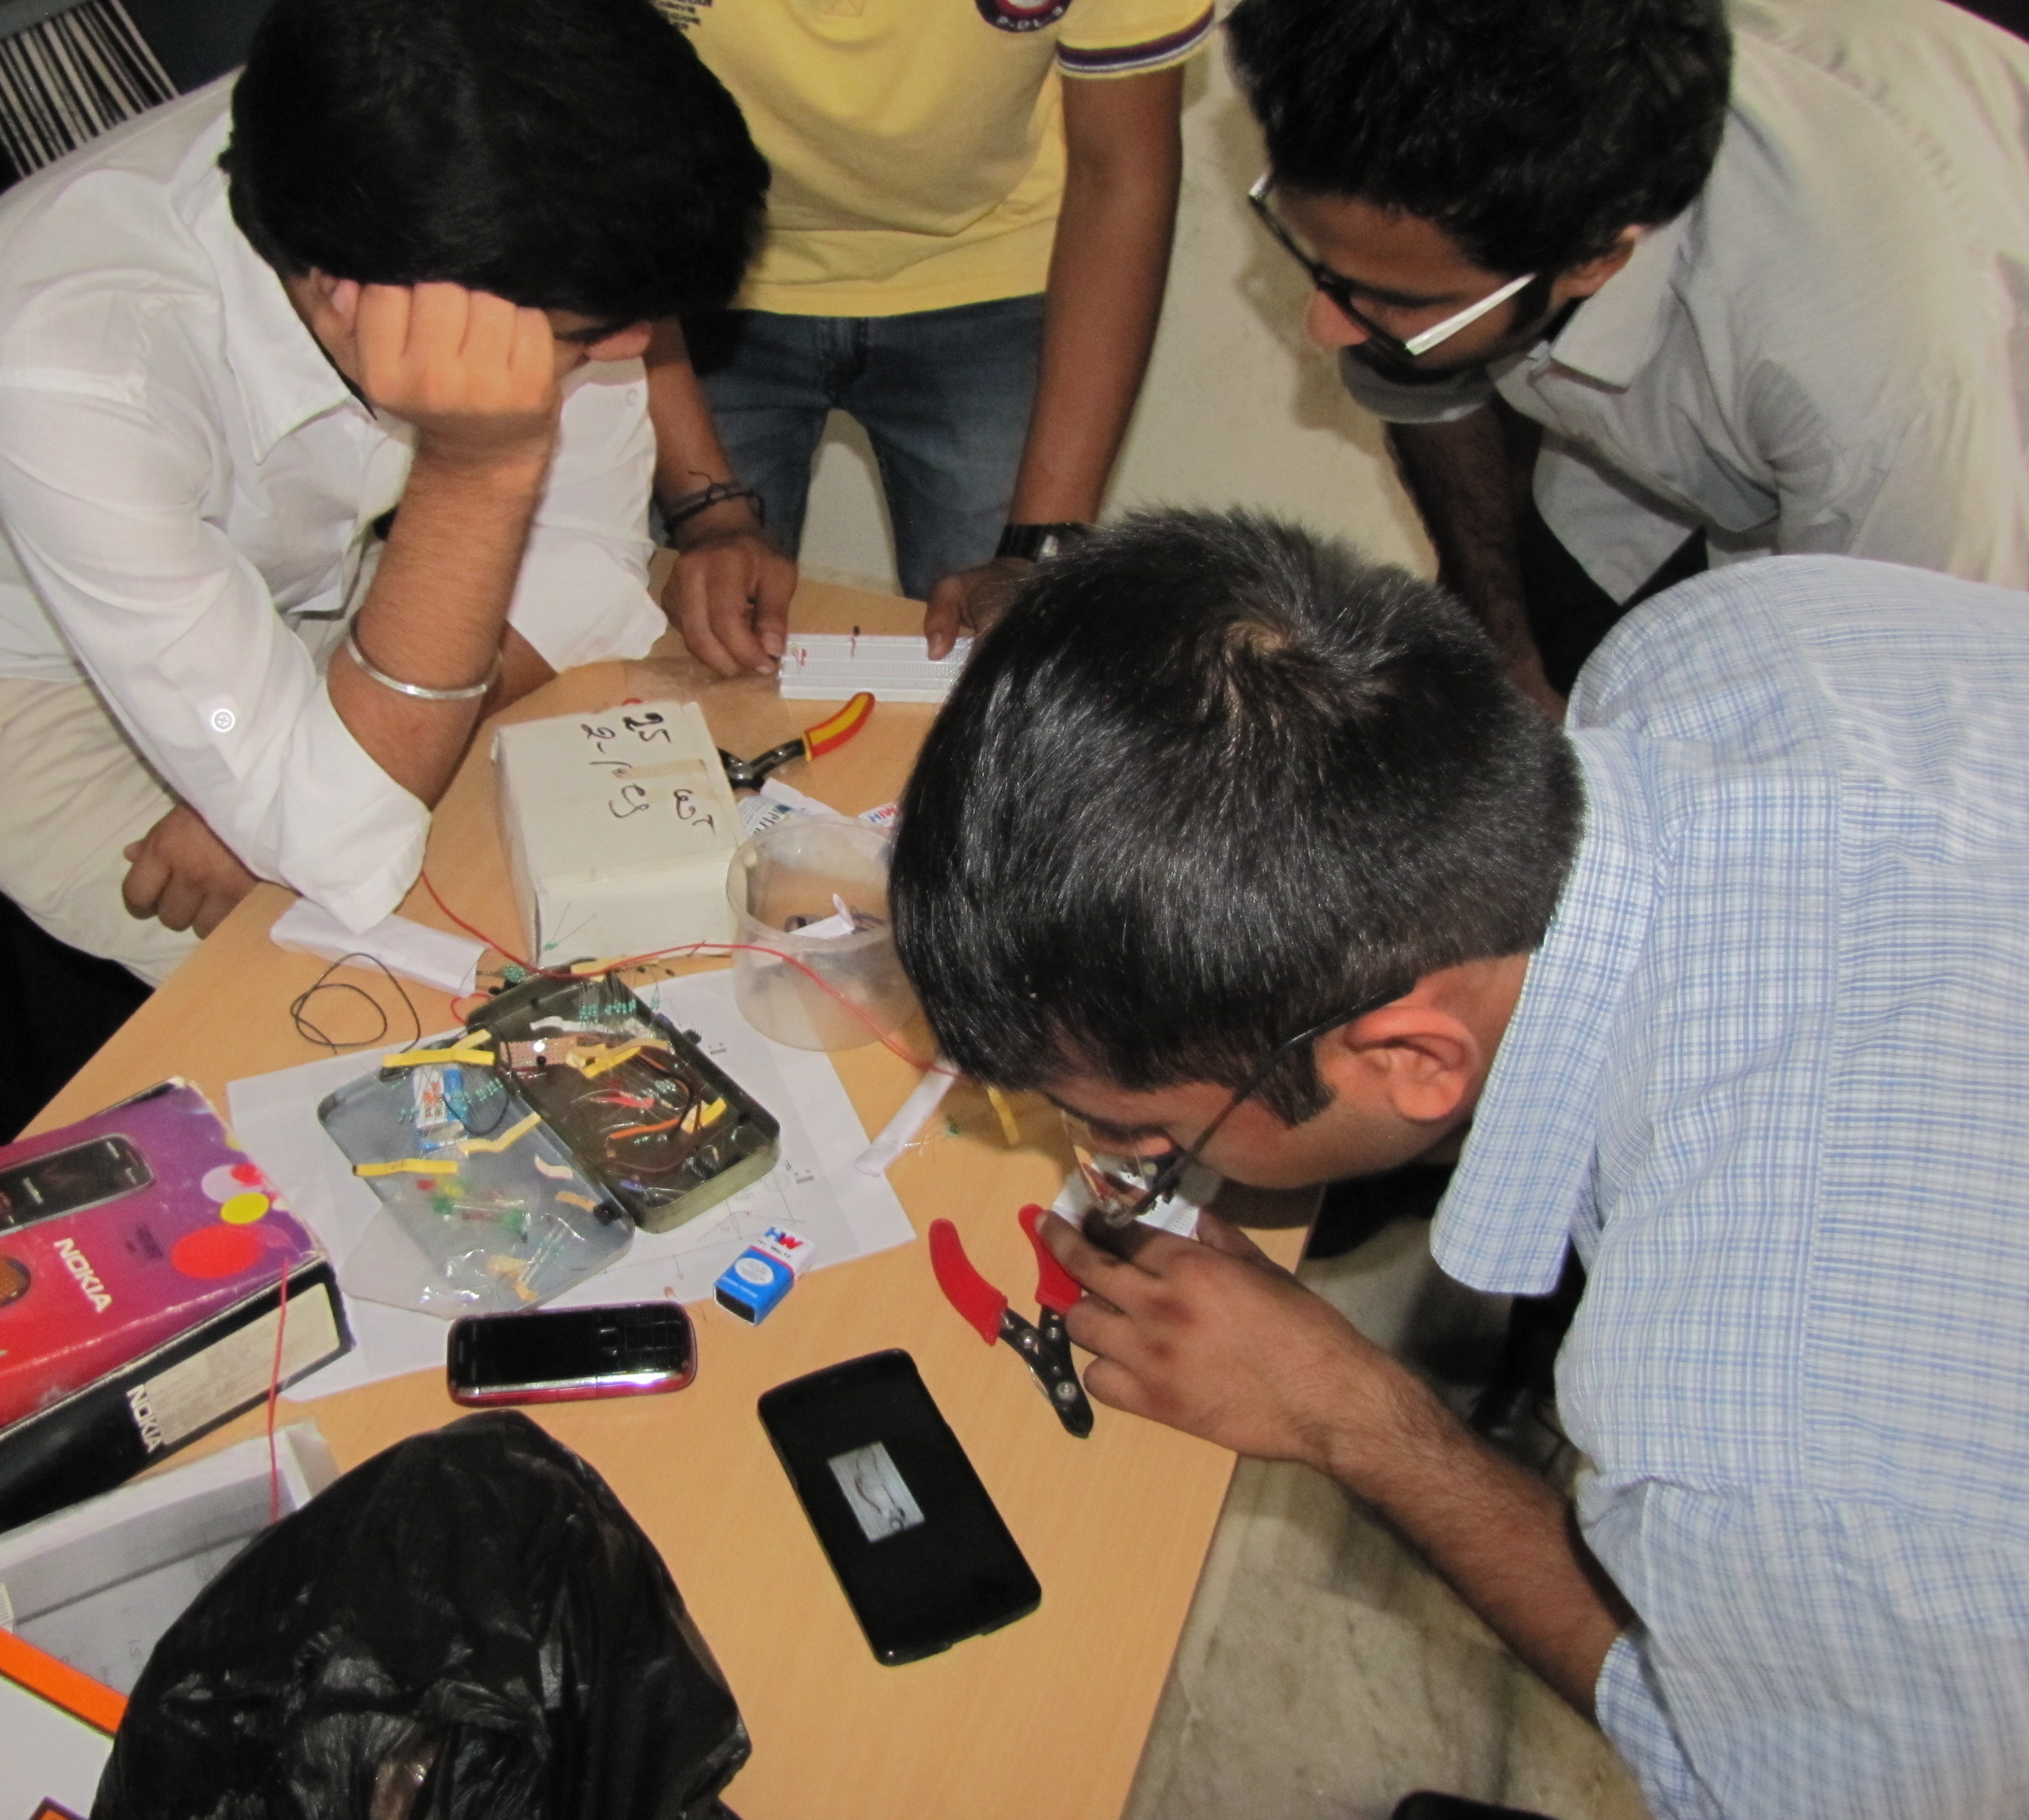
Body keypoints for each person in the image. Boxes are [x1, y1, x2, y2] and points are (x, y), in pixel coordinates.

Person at [890, 508, 2029, 1819]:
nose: (1119, 1160)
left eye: (1142, 1132)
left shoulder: (1753, 1459)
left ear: (1412, 1060)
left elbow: (1741, 1773)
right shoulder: (1736, 641)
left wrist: (1351, 1416)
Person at [0, 0, 766, 982]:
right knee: (394, 995)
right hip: (35, 681)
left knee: (578, 863)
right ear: (344, 293)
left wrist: (303, 774)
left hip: (307, 583)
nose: (635, 352)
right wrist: (474, 473)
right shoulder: (65, 370)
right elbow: (341, 843)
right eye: (590, 335)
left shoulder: (438, 174)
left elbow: (588, 558)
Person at [1223, 0, 2029, 711]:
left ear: (1595, 260)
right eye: (1316, 262)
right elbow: (1423, 377)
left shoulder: (1867, 381)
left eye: (1397, 301)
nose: (1322, 328)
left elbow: (1921, 711)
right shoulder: (1435, 143)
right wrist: (1506, 650)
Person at [646, 0, 1213, 676]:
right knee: (693, 653)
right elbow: (603, 170)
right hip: (692, 272)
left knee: (1009, 659)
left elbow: (1120, 174)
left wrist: (1038, 552)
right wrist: (706, 511)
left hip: (999, 276)